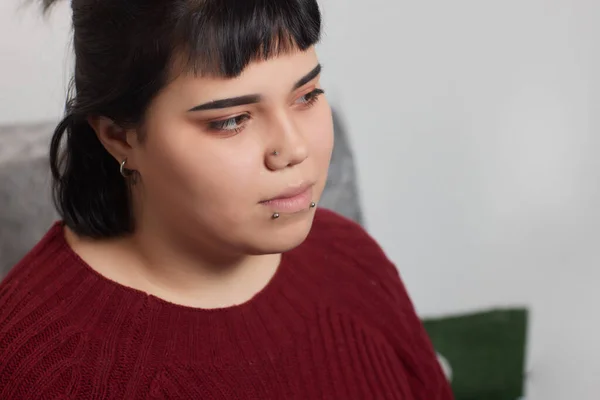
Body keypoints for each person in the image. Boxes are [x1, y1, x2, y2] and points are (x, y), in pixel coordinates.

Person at [0, 0, 453, 398]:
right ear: (120, 136)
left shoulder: (355, 262)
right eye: (232, 120)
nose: (293, 149)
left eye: (307, 95)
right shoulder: (35, 368)